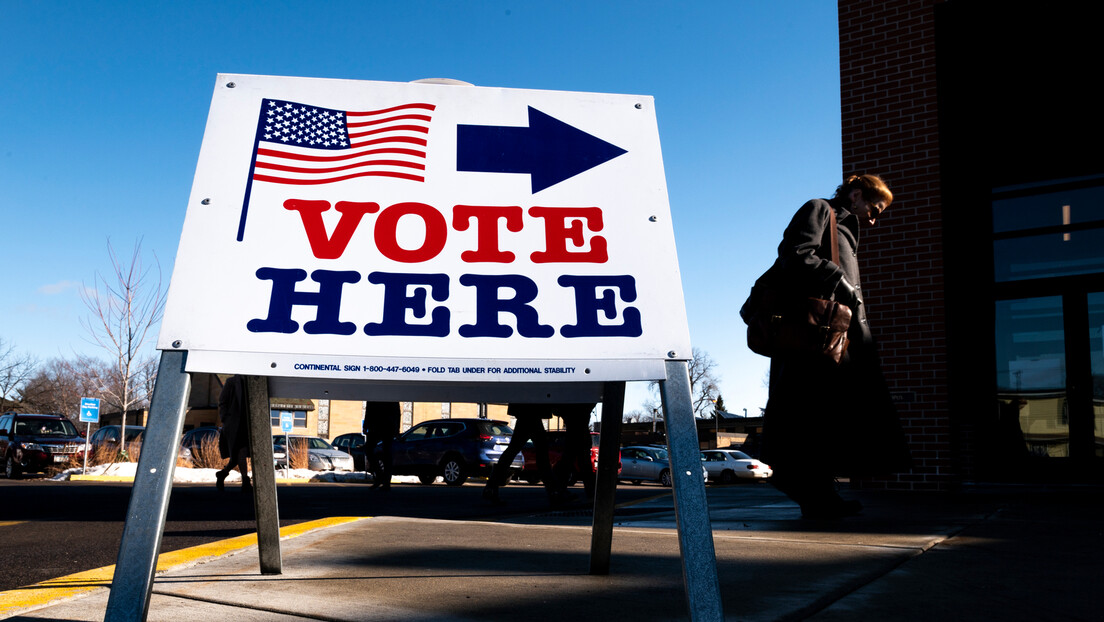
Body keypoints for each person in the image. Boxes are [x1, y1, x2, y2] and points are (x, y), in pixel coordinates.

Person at [761, 174, 910, 519]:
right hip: (813, 339)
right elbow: (795, 254)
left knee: (826, 419)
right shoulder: (819, 210)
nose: (873, 219)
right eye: (873, 209)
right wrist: (839, 280)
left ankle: (822, 495)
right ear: (856, 195)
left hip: (839, 341)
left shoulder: (846, 230)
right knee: (808, 415)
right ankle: (803, 486)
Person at [483, 403, 573, 505]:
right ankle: (554, 491)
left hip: (525, 413)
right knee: (540, 454)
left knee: (514, 450)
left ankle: (491, 486)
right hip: (532, 413)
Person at [215, 375, 251, 493]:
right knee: (240, 452)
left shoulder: (254, 381)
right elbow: (223, 401)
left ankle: (223, 474)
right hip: (234, 424)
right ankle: (245, 481)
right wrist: (225, 418)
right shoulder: (231, 382)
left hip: (248, 424)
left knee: (236, 457)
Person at [363, 402, 401, 490]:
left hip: (385, 426)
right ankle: (382, 478)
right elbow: (369, 409)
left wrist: (396, 429)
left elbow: (396, 411)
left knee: (386, 453)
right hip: (381, 425)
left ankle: (384, 481)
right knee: (372, 450)